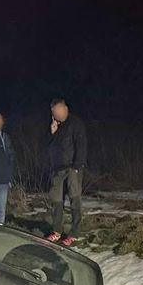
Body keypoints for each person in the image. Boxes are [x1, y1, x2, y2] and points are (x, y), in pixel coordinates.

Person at [45, 98, 87, 246]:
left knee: (75, 200)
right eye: (54, 112)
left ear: (65, 109)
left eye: (58, 110)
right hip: (57, 169)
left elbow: (81, 145)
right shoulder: (55, 125)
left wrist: (77, 166)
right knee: (56, 200)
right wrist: (52, 133)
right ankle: (57, 231)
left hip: (72, 168)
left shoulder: (75, 123)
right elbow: (49, 146)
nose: (56, 114)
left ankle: (74, 233)